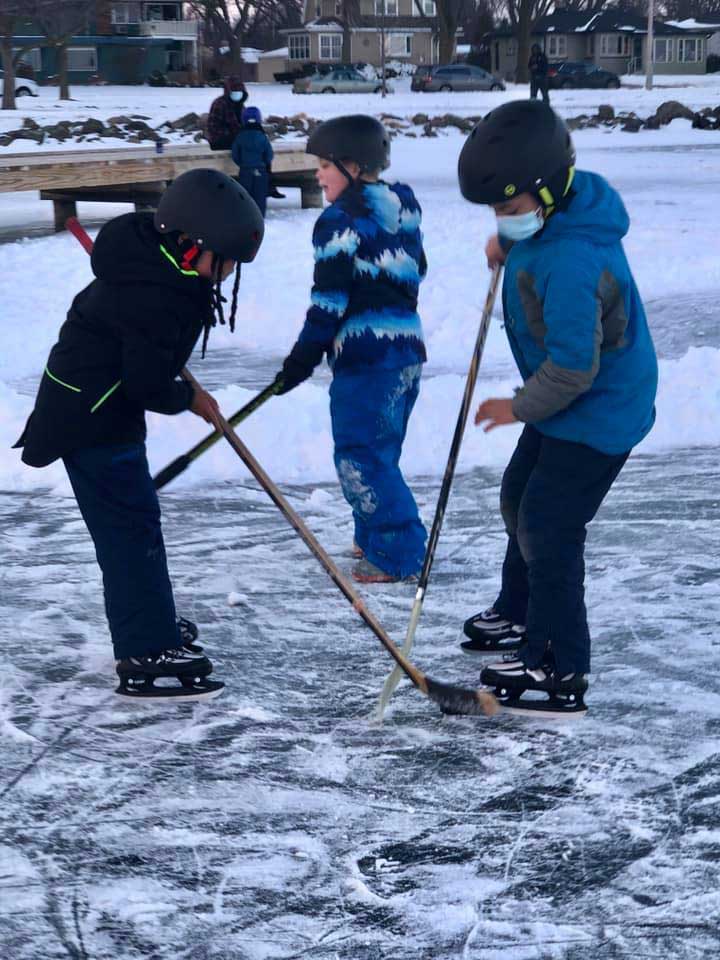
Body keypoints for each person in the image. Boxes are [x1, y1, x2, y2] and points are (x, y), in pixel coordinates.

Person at [13, 170, 264, 702]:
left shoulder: (160, 273)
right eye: (226, 260)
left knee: (136, 527)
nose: (229, 272)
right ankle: (145, 650)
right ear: (189, 244)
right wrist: (190, 399)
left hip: (101, 411)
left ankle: (152, 625)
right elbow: (147, 382)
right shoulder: (154, 295)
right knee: (130, 534)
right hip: (91, 420)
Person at [456, 101, 657, 715]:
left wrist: (518, 406)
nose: (502, 220)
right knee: (520, 497)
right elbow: (534, 246)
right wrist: (509, 245)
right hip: (567, 403)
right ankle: (520, 613)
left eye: (509, 210)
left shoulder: (572, 258)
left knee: (549, 525)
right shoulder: (551, 224)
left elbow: (574, 366)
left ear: (546, 191)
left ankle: (558, 663)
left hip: (597, 409)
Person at [277, 115, 428, 584]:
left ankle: (398, 553)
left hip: (366, 361)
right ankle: (372, 535)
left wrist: (301, 359)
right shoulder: (403, 205)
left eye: (325, 165)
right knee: (381, 451)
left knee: (360, 455)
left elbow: (328, 302)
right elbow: (417, 269)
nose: (318, 176)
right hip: (407, 353)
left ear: (354, 167)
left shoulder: (338, 222)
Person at [231, 106, 274, 217]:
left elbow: (235, 155)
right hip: (260, 170)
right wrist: (264, 163)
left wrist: (242, 163)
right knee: (260, 196)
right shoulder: (262, 137)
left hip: (245, 170)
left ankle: (246, 217)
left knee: (245, 196)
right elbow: (269, 155)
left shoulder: (240, 136)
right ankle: (260, 217)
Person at [207, 75, 248, 151]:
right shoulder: (219, 104)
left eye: (240, 92)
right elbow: (213, 128)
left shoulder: (241, 106)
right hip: (220, 142)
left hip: (238, 140)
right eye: (235, 91)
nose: (238, 94)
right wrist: (233, 134)